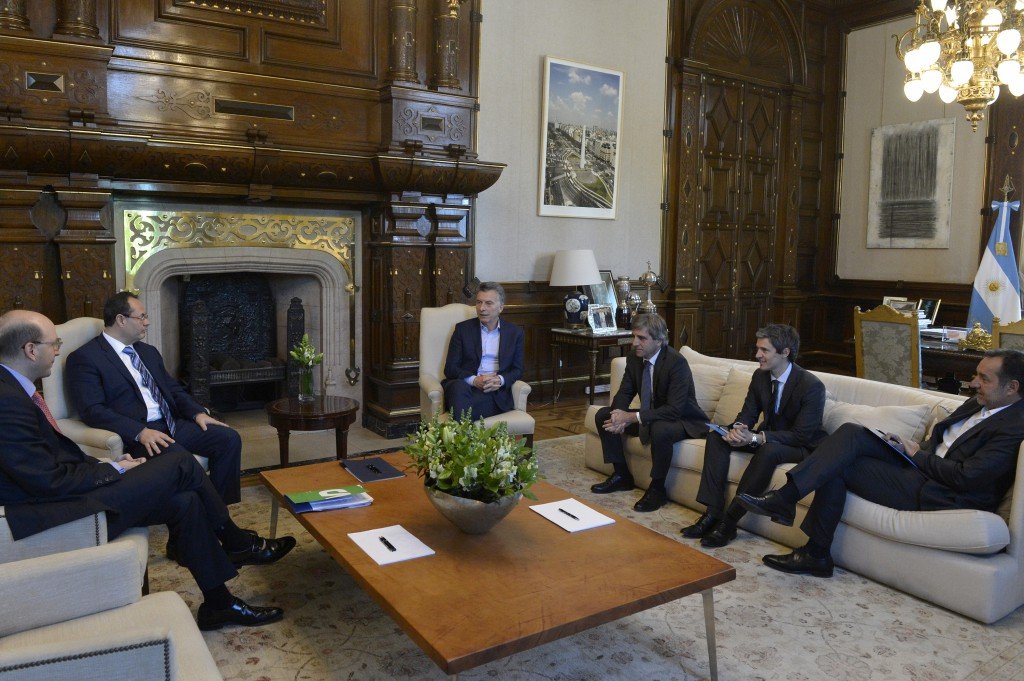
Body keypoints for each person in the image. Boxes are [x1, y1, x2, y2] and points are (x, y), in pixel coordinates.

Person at [0, 309, 296, 630]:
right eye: (54, 343)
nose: (58, 349)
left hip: (71, 493)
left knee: (185, 501)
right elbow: (48, 481)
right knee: (180, 462)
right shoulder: (8, 401)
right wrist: (110, 472)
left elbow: (53, 460)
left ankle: (219, 605)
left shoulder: (15, 390)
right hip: (60, 512)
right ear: (31, 350)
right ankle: (237, 543)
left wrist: (111, 464)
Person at [737, 349, 1024, 578]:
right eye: (976, 375)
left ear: (1012, 387)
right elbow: (941, 444)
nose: (973, 383)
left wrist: (917, 455)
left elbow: (967, 476)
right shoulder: (979, 402)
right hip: (921, 470)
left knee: (838, 463)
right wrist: (905, 447)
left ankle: (805, 535)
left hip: (944, 493)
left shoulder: (1014, 426)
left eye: (984, 378)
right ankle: (810, 545)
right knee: (849, 436)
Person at [66, 292, 242, 507]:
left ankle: (221, 508)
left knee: (228, 438)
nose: (147, 322)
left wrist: (197, 413)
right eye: (141, 317)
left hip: (172, 423)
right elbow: (93, 410)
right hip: (140, 434)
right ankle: (211, 513)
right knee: (182, 459)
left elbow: (173, 389)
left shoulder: (148, 352)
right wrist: (140, 432)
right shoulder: (85, 358)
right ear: (121, 320)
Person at [682, 324, 826, 548]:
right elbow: (748, 413)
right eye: (757, 348)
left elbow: (801, 435)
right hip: (767, 437)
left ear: (785, 352)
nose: (757, 355)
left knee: (768, 450)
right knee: (717, 437)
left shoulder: (811, 386)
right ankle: (712, 513)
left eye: (764, 350)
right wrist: (739, 429)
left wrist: (756, 438)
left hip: (800, 445)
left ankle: (729, 523)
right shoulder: (760, 376)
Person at [591, 313, 708, 512]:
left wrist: (632, 417)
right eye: (634, 336)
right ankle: (621, 475)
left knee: (660, 429)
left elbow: (674, 409)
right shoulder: (634, 358)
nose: (635, 343)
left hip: (682, 420)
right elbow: (625, 391)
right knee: (604, 416)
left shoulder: (676, 363)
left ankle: (657, 489)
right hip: (653, 415)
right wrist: (618, 415)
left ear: (659, 340)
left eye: (642, 338)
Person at [443, 281, 525, 420]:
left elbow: (518, 369)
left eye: (488, 303)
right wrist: (474, 380)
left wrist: (500, 380)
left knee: (461, 410)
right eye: (479, 302)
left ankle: (457, 428)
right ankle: (463, 424)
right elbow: (450, 368)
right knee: (457, 389)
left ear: (501, 307)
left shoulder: (515, 333)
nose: (482, 308)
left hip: (493, 391)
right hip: (465, 386)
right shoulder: (462, 330)